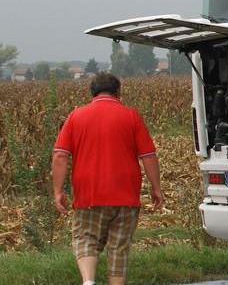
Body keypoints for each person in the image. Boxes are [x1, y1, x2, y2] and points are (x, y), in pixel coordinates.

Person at [52, 73, 164, 285]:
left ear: (92, 92)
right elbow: (148, 156)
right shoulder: (131, 116)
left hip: (89, 194)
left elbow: (60, 155)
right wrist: (156, 188)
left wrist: (58, 191)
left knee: (86, 238)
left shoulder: (77, 116)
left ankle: (88, 282)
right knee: (118, 247)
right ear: (118, 92)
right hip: (126, 195)